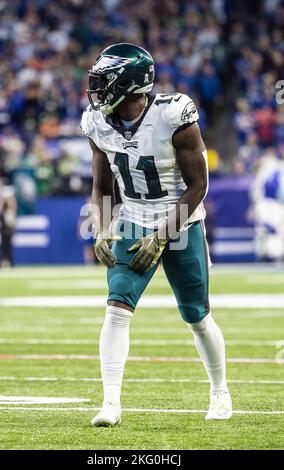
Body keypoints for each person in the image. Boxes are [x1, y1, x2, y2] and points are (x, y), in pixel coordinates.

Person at [81, 43, 232, 426]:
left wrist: (162, 235)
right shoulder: (97, 122)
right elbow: (101, 187)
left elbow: (198, 185)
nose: (96, 89)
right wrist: (101, 228)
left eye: (104, 80)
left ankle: (220, 392)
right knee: (117, 308)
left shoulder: (173, 113)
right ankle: (110, 403)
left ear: (128, 84)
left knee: (196, 315)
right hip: (133, 217)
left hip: (181, 218)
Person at [0, 185, 17, 267]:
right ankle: (2, 260)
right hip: (2, 226)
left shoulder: (11, 201)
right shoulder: (0, 201)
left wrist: (8, 199)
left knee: (9, 244)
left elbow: (13, 207)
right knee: (2, 244)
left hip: (9, 225)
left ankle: (10, 261)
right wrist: (2, 199)